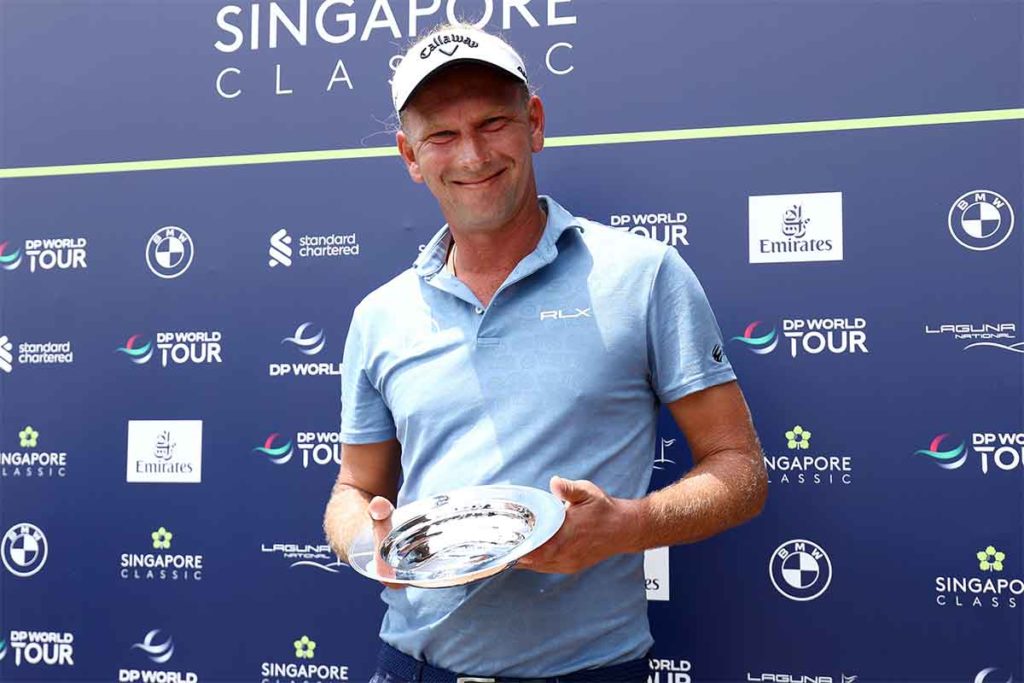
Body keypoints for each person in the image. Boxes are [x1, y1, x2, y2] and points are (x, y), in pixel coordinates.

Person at [324, 22, 767, 683]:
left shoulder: (643, 275)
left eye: (492, 123)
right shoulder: (379, 315)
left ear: (534, 122)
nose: (472, 154)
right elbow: (354, 488)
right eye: (441, 135)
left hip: (589, 671)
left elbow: (741, 470)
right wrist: (369, 539)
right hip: (413, 667)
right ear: (410, 156)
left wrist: (625, 525)